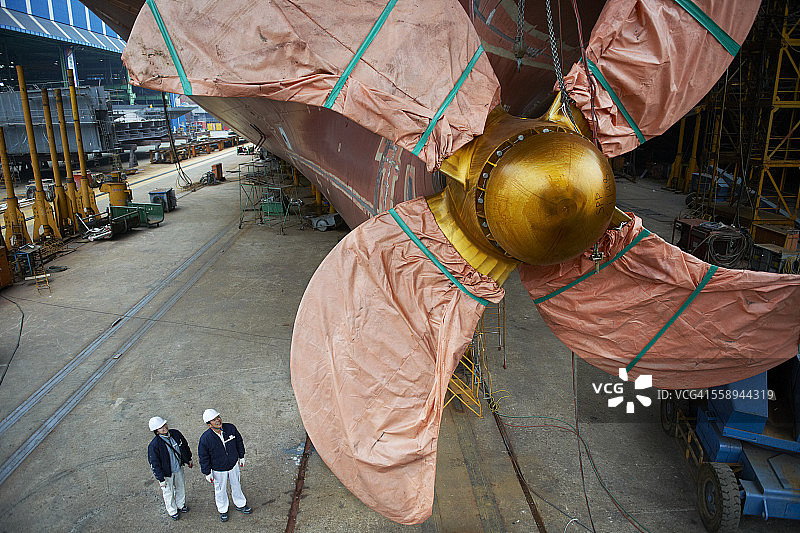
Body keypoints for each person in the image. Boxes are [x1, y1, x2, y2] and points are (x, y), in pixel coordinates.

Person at [198, 408, 252, 522]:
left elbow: (239, 442)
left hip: (233, 465)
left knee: (236, 484)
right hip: (218, 469)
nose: (218, 420)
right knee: (220, 489)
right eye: (213, 420)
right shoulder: (205, 439)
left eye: (218, 417)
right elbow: (203, 457)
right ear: (209, 424)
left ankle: (240, 504)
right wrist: (207, 472)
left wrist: (241, 456)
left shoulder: (230, 428)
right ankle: (223, 510)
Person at [147, 416, 193, 520]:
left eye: (164, 425)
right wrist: (160, 478)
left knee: (180, 486)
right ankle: (172, 511)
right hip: (166, 473)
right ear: (156, 431)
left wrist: (188, 458)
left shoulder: (176, 434)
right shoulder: (154, 446)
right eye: (160, 428)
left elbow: (184, 446)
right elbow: (154, 463)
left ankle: (180, 505)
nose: (164, 428)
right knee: (168, 492)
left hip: (178, 468)